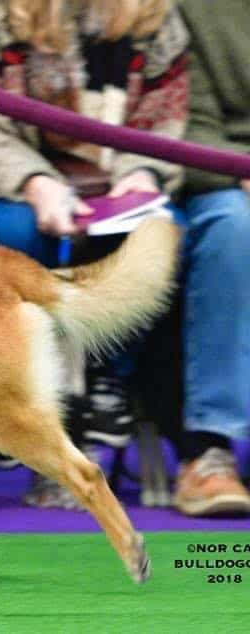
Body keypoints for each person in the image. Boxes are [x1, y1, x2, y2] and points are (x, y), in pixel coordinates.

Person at [0, 0, 189, 508]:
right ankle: (5, 388)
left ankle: (108, 386)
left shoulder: (156, 17)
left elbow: (162, 123)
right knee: (13, 232)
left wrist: (141, 174)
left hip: (112, 187)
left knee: (163, 232)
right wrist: (34, 181)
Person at [172, 0, 250, 517]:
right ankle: (210, 447)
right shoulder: (192, 8)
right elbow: (186, 122)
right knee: (234, 227)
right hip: (224, 173)